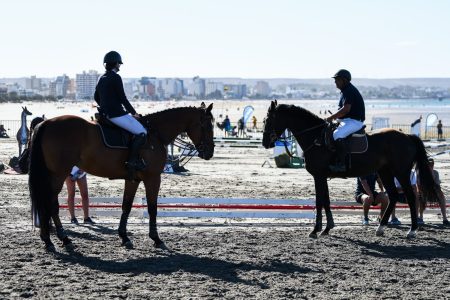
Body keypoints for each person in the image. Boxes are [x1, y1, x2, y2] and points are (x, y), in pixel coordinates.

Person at [94, 51, 147, 174]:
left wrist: (104, 106)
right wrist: (134, 113)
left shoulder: (101, 78)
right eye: (119, 64)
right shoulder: (116, 77)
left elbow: (96, 97)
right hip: (116, 114)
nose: (120, 66)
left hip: (104, 114)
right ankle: (132, 161)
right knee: (142, 132)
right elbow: (123, 98)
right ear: (116, 63)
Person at [326, 69, 365, 172]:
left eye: (337, 80)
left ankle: (341, 164)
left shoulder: (349, 91)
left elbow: (346, 109)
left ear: (344, 80)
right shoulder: (345, 91)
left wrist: (331, 117)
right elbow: (343, 111)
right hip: (347, 120)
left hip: (354, 121)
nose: (335, 82)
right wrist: (336, 117)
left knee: (337, 134)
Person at [417, 158, 449, 225]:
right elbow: (419, 186)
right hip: (423, 191)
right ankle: (421, 217)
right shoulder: (420, 173)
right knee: (421, 196)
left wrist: (431, 174)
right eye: (429, 164)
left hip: (433, 192)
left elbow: (437, 186)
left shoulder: (435, 173)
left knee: (442, 197)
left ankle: (445, 219)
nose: (431, 165)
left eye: (432, 164)